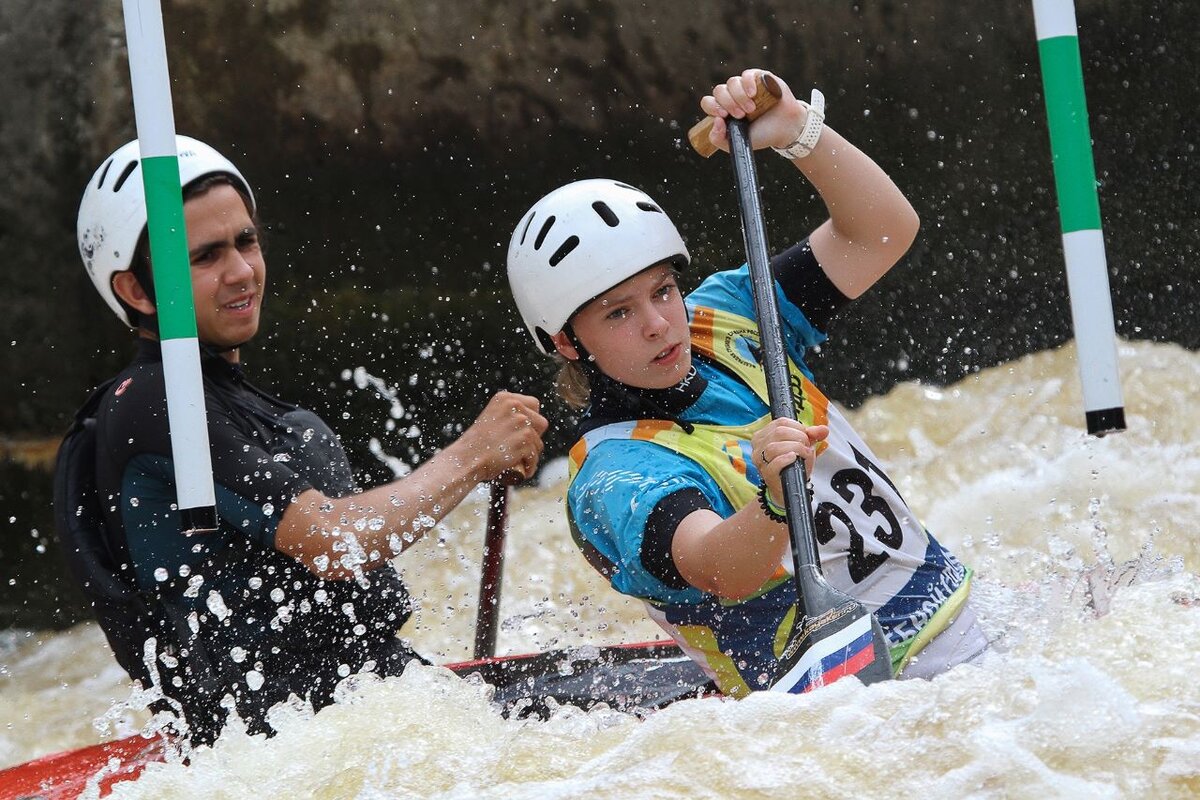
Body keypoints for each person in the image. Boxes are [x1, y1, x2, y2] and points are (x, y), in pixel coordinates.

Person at [506, 69, 988, 698]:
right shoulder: (613, 472)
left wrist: (797, 132)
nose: (658, 325)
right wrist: (771, 499)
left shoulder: (732, 313)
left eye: (662, 291)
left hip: (968, 629)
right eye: (619, 313)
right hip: (856, 707)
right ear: (569, 342)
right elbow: (719, 567)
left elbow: (883, 232)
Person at [62, 135, 547, 743]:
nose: (242, 271)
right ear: (136, 290)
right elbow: (332, 541)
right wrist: (474, 454)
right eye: (205, 256)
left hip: (360, 723)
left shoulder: (230, 401)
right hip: (280, 748)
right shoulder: (155, 407)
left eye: (246, 241)